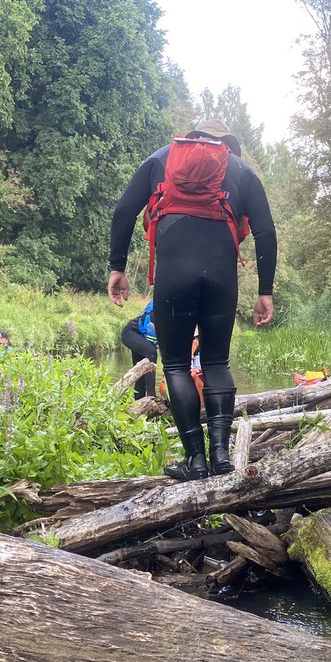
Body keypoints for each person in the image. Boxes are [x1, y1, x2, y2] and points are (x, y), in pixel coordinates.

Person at [107, 119, 277, 480]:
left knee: (177, 366)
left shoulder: (161, 159)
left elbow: (123, 211)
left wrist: (117, 267)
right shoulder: (242, 171)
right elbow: (265, 232)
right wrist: (265, 291)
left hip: (174, 277)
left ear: (193, 137)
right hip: (221, 278)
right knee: (216, 362)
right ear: (224, 142)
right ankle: (221, 456)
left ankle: (195, 461)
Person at [120, 300, 158, 400]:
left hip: (142, 337)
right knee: (151, 353)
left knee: (141, 376)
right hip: (130, 333)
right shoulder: (158, 312)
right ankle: (151, 397)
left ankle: (138, 405)